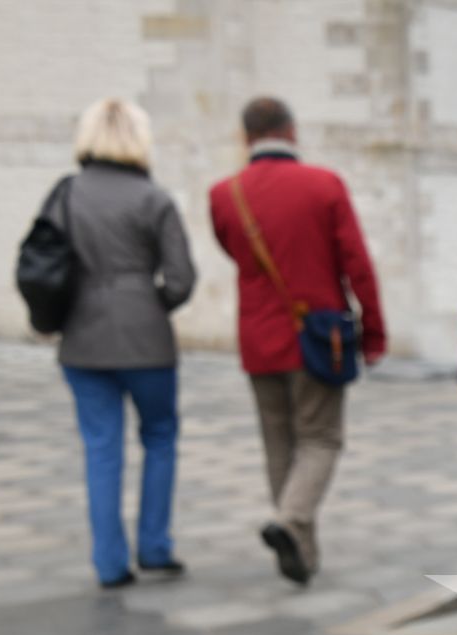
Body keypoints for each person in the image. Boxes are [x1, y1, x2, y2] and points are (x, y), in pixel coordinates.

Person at [209, 96, 386, 586]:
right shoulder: (324, 186)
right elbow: (357, 266)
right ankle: (291, 523)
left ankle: (301, 554)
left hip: (258, 338)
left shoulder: (225, 194)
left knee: (279, 441)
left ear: (246, 137)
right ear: (292, 132)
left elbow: (233, 251)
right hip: (318, 335)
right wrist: (373, 332)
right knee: (322, 438)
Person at [52, 98, 196, 589]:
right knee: (159, 437)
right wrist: (148, 298)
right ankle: (155, 547)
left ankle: (109, 564)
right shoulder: (154, 199)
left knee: (101, 448)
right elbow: (180, 279)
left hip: (81, 338)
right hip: (146, 341)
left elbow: (42, 260)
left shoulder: (66, 195)